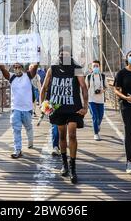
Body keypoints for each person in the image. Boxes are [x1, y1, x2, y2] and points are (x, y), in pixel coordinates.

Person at [40, 46, 88, 184]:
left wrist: (85, 107)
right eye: (61, 55)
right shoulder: (52, 69)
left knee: (72, 134)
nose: (63, 57)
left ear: (71, 56)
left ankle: (73, 168)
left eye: (66, 55)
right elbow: (44, 87)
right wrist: (42, 105)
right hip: (57, 108)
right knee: (61, 136)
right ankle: (64, 164)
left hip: (73, 108)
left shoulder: (77, 68)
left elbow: (84, 87)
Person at [0, 62, 38, 158]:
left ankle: (30, 142)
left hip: (27, 108)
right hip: (16, 108)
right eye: (15, 67)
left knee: (28, 127)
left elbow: (35, 68)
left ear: (22, 67)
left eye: (18, 67)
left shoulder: (28, 75)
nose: (16, 69)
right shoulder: (12, 77)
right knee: (16, 129)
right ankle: (18, 149)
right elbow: (3, 70)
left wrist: (37, 57)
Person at [86, 60, 107, 141]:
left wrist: (102, 90)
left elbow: (106, 87)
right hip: (91, 100)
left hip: (100, 100)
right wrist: (84, 100)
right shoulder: (88, 77)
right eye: (94, 66)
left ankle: (98, 125)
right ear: (91, 67)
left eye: (97, 66)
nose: (95, 67)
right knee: (95, 116)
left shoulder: (103, 76)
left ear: (99, 67)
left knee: (100, 116)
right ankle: (96, 133)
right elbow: (85, 88)